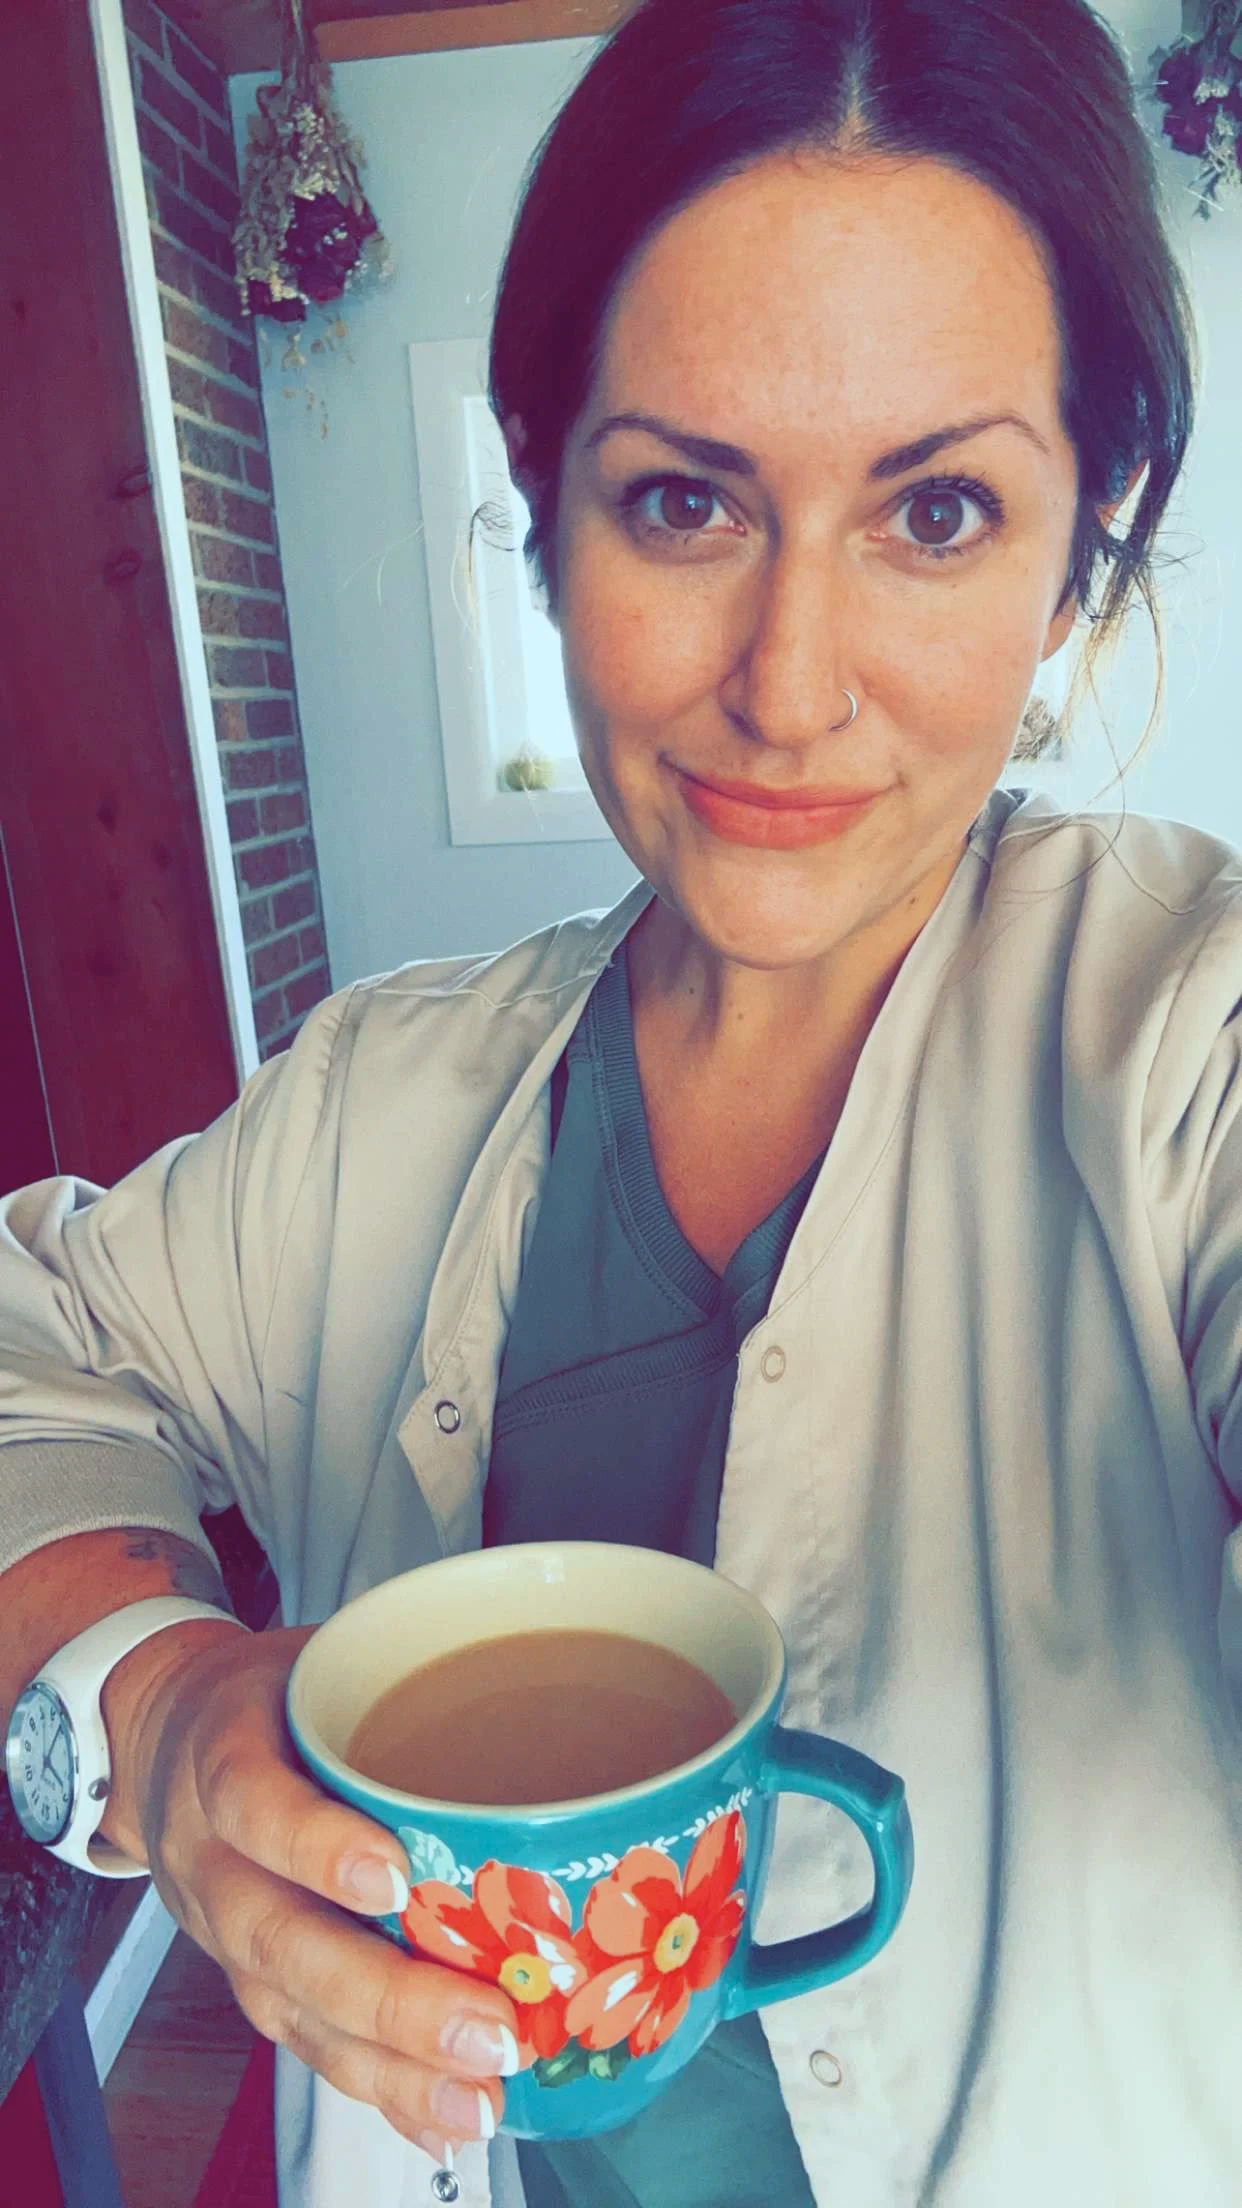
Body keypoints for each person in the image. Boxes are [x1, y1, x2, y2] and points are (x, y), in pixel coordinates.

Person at [2, 0, 1240, 2202]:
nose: (786, 683)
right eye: (682, 500)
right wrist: (162, 1707)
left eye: (938, 510)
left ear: (1083, 560)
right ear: (544, 508)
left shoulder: (1184, 1024)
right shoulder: (382, 1093)